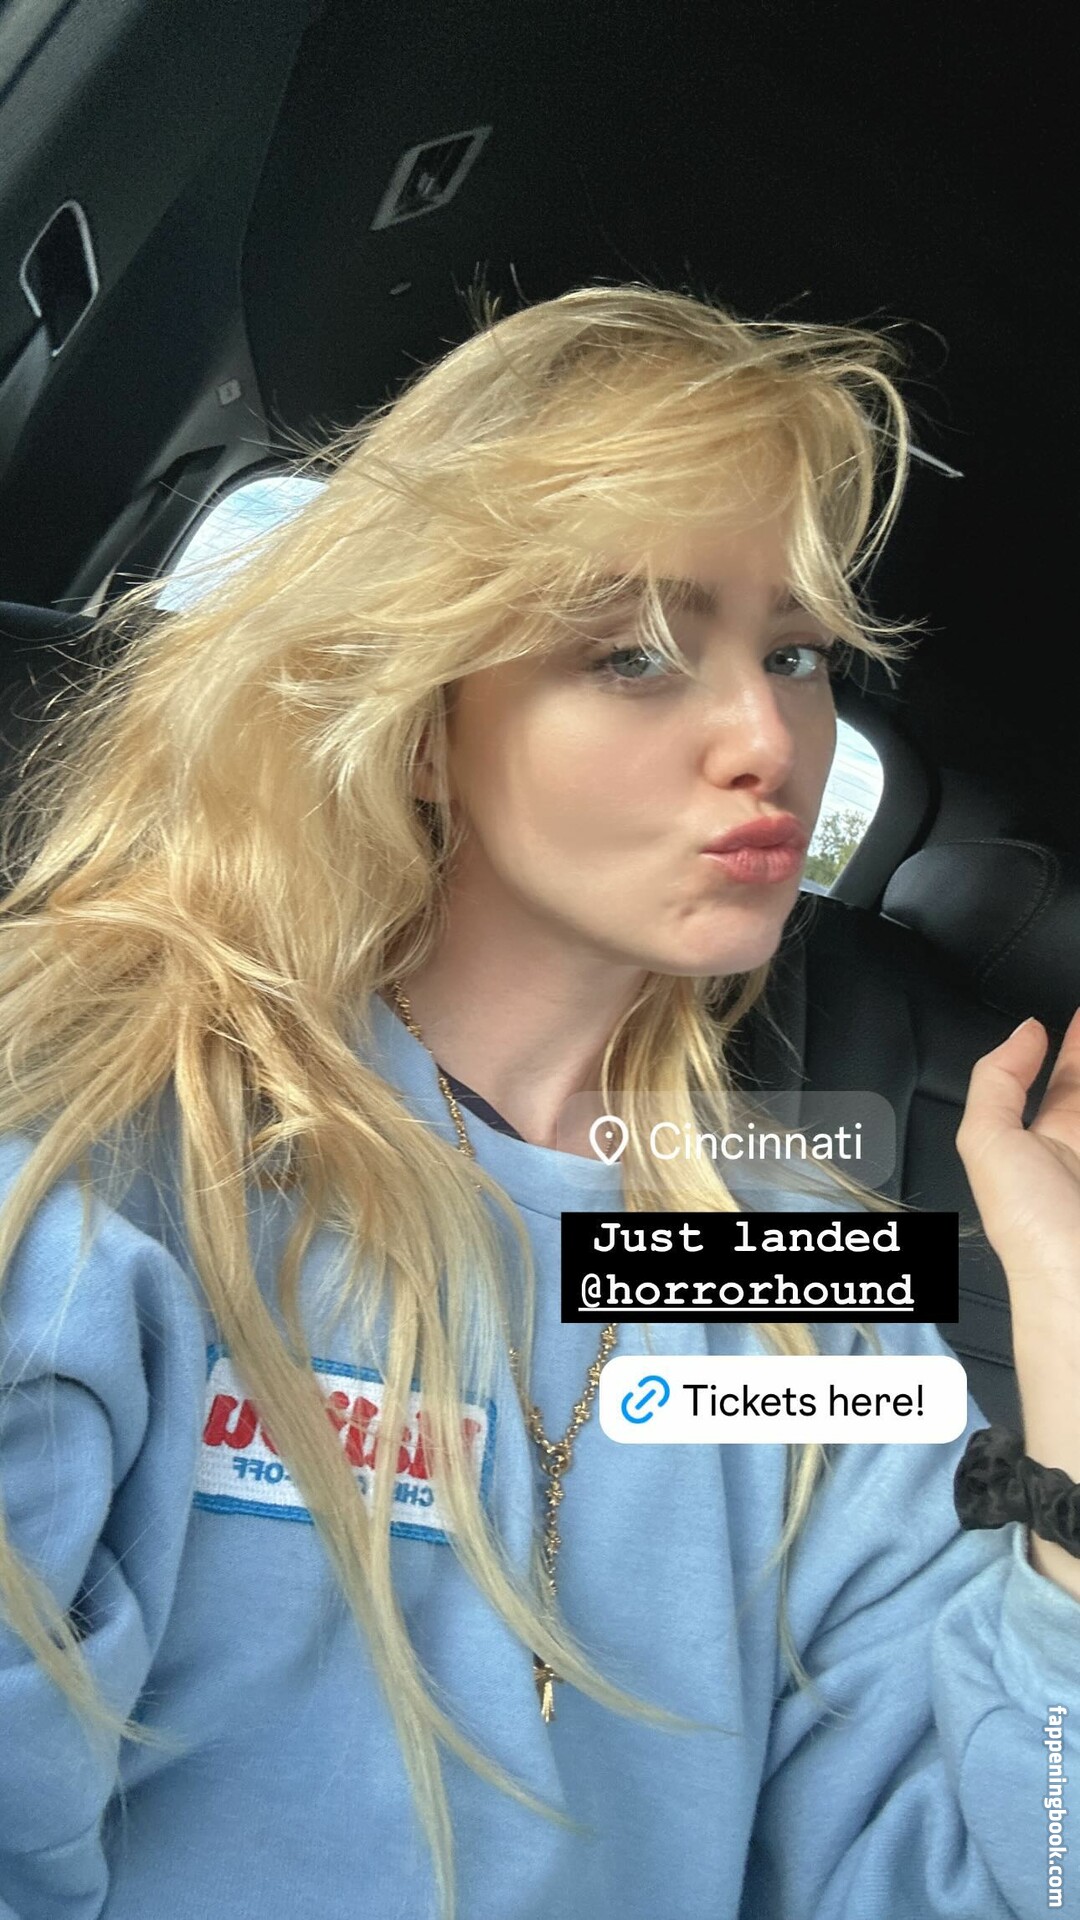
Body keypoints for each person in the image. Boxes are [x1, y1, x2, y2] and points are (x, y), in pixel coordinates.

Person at [0, 282, 1078, 1920]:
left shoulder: (791, 1264)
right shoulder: (132, 1141)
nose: (768, 738)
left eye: (795, 654)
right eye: (634, 654)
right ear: (427, 721)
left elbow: (1002, 1878)